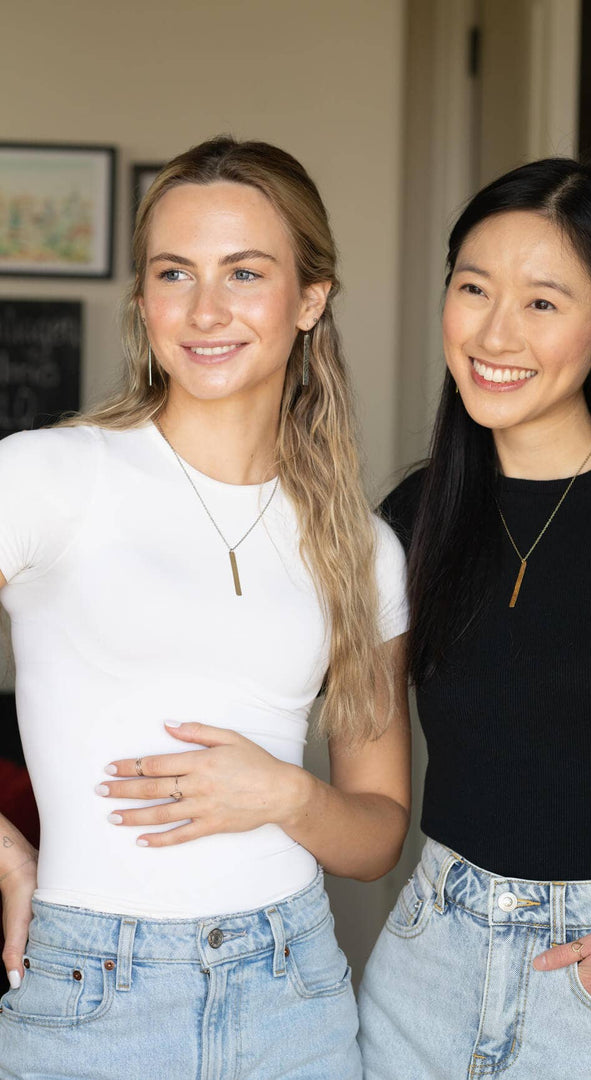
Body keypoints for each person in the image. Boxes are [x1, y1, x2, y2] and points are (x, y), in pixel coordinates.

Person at [0, 135, 410, 1080]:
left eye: (245, 273)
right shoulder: (47, 477)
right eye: (174, 272)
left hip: (292, 997)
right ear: (143, 298)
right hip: (86, 994)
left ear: (310, 300)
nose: (205, 310)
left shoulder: (362, 548)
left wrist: (288, 794)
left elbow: (378, 836)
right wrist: (8, 852)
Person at [358, 157, 591, 1079]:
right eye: (473, 288)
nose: (495, 332)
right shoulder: (413, 514)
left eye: (543, 302)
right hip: (425, 968)